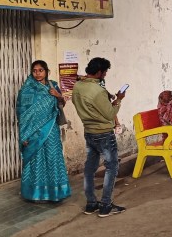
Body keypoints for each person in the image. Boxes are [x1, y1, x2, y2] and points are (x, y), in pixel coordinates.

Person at [72, 57, 126, 217]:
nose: (106, 75)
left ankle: (91, 204)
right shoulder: (98, 91)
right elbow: (110, 114)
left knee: (89, 168)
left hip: (89, 132)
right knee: (112, 167)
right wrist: (119, 100)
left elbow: (87, 105)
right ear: (99, 72)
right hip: (103, 134)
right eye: (105, 72)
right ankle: (105, 205)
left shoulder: (78, 86)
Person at [16, 60, 71, 203]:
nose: (37, 74)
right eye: (34, 71)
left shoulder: (53, 86)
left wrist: (58, 95)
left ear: (46, 71)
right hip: (32, 133)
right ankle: (35, 194)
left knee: (52, 158)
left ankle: (55, 193)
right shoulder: (26, 90)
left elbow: (61, 105)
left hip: (51, 129)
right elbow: (22, 114)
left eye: (40, 70)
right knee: (36, 160)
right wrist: (24, 135)